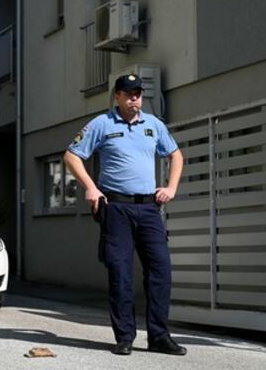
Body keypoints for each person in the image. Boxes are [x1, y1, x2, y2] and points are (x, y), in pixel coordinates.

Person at [64, 74, 186, 356]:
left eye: (138, 94)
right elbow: (72, 156)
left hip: (149, 209)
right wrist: (91, 188)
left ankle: (158, 336)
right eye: (129, 94)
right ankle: (125, 337)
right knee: (120, 273)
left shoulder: (153, 125)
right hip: (116, 209)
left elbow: (176, 155)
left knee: (161, 271)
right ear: (116, 96)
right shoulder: (101, 124)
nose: (135, 99)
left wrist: (171, 187)